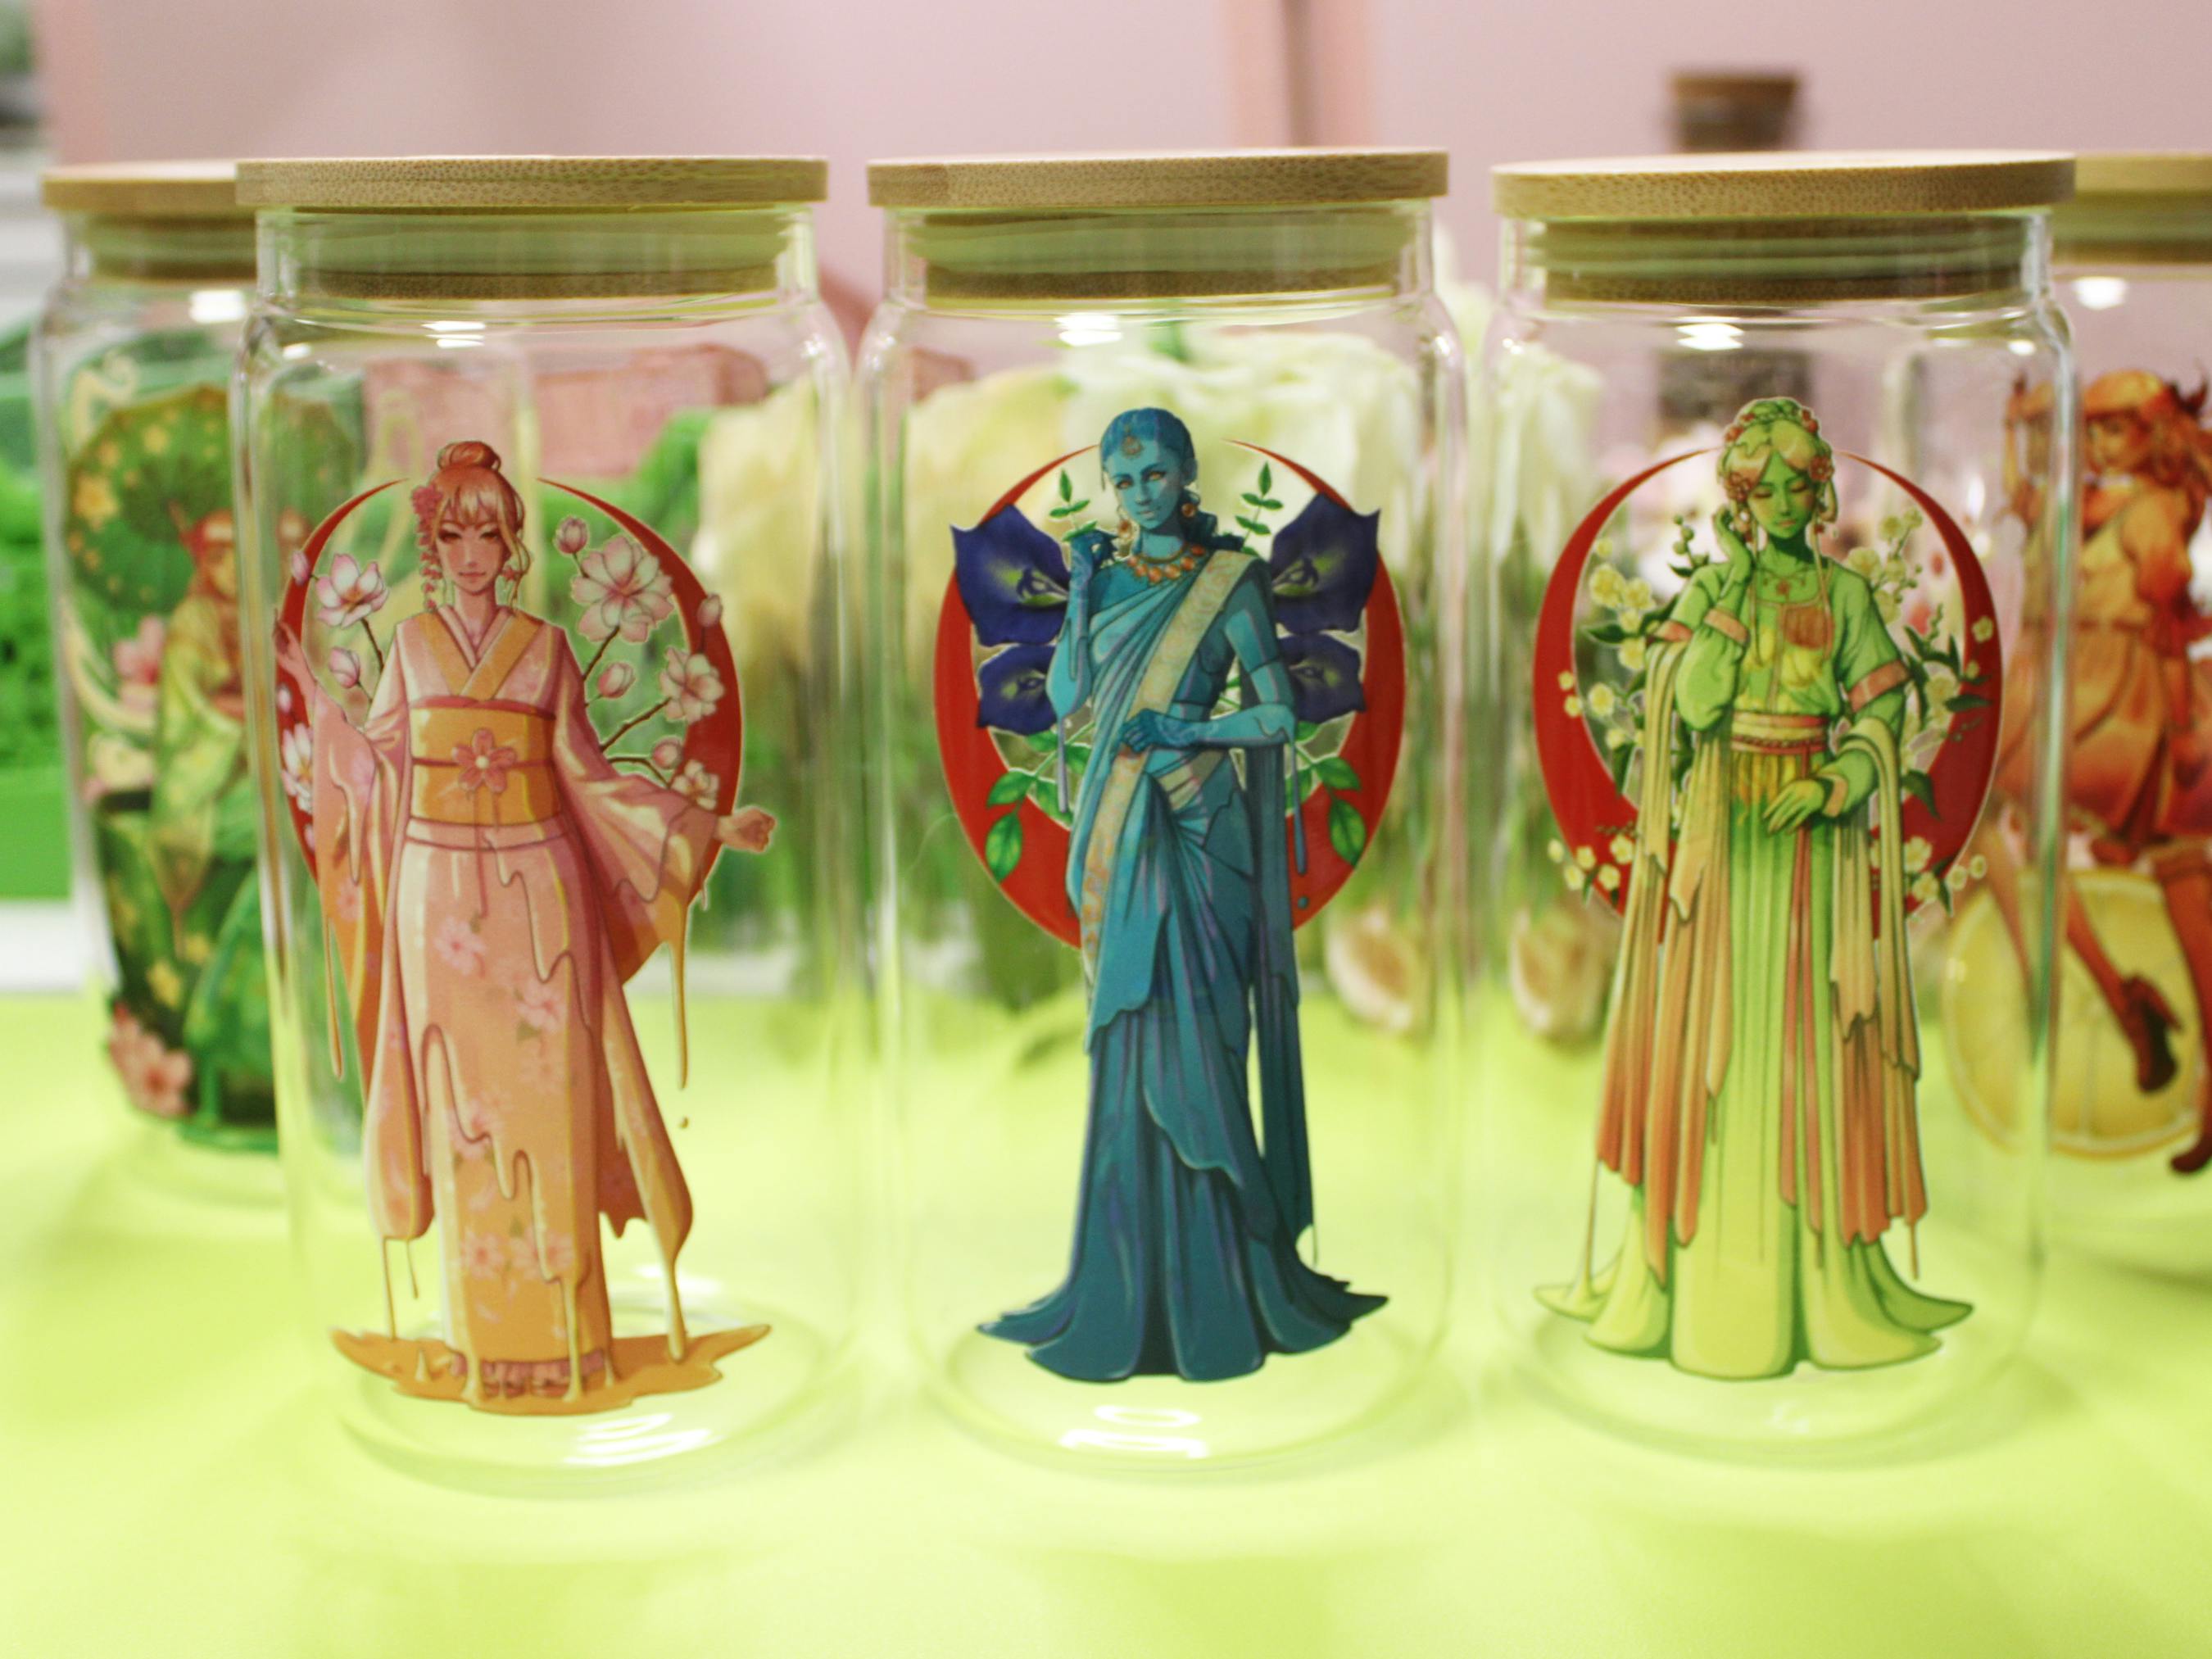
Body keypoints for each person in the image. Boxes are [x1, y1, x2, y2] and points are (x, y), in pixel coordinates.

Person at [274, 440, 773, 1407]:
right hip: (434, 898)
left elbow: (591, 779)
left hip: (541, 896)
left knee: (551, 1110)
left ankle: (572, 1347)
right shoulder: (410, 651)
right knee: (461, 1115)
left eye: (490, 535)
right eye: (453, 537)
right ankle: (483, 1349)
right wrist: (326, 723)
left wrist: (708, 824)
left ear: (513, 546)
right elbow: (373, 765)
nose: (473, 554)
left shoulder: (546, 652)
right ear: (433, 548)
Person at [1543, 397, 1969, 1380]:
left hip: (1814, 842)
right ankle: (1697, 1275)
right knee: (1712, 1034)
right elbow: (1691, 704)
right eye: (1760, 488)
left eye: (1796, 485)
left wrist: (1838, 781)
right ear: (1738, 500)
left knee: (1805, 1034)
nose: (1780, 501)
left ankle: (1816, 1276)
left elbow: (1883, 712)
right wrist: (1729, 602)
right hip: (1722, 831)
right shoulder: (1714, 591)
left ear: (1821, 493)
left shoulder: (1847, 597)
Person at [981, 407, 1384, 1381]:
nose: (1139, 494)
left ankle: (1228, 1277)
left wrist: (1186, 731)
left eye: (1155, 474)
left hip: (1200, 830)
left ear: (1187, 473)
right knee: (1126, 1033)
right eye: (1122, 481)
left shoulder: (1231, 580)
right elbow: (1068, 699)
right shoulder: (1106, 577)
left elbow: (1277, 713)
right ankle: (1122, 1285)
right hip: (1118, 833)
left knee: (1201, 1036)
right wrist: (1081, 590)